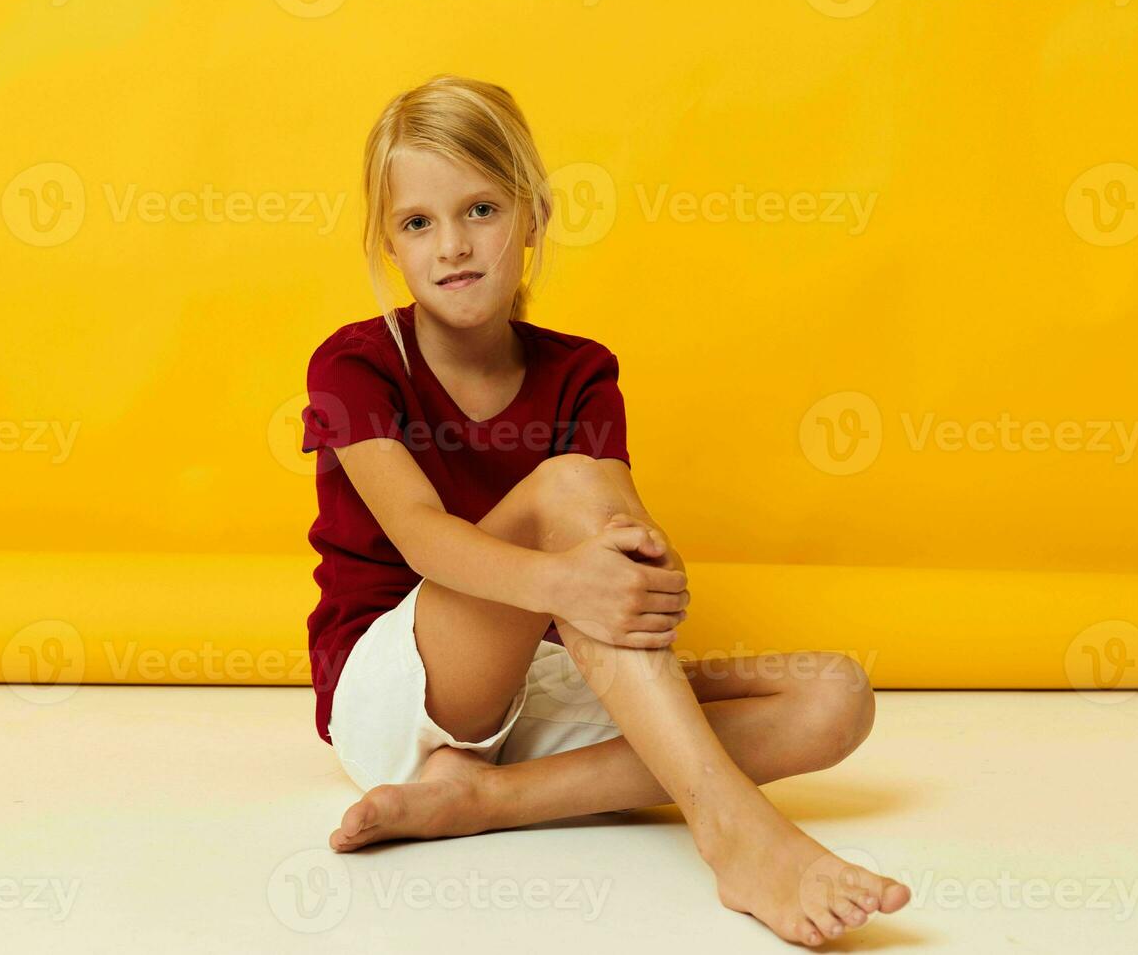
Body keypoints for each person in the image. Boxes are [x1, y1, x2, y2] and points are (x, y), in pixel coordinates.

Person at [299, 74, 910, 946]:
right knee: (567, 488)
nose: (452, 246)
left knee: (835, 699)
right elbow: (425, 538)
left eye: (481, 210)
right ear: (388, 244)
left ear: (535, 215)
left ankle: (485, 798)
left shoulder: (582, 371)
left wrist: (634, 577)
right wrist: (566, 578)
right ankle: (734, 832)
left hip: (531, 667)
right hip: (391, 688)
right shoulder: (356, 365)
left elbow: (622, 537)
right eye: (417, 223)